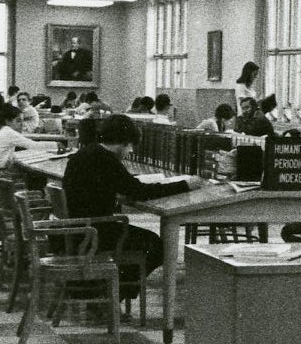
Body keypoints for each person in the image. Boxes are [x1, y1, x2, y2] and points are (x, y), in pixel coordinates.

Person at [63, 113, 201, 278]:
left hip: (79, 229)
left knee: (148, 241)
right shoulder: (107, 160)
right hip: (95, 231)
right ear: (123, 143)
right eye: (130, 146)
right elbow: (141, 192)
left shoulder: (87, 152)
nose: (131, 151)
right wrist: (185, 185)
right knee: (157, 247)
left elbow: (107, 188)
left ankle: (109, 288)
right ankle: (114, 291)